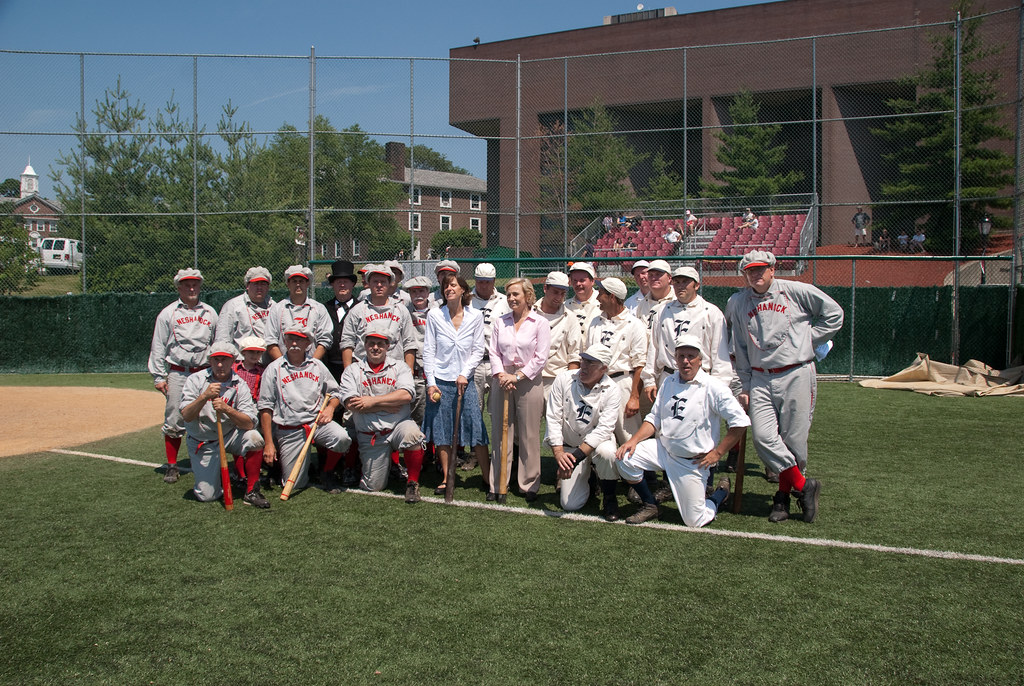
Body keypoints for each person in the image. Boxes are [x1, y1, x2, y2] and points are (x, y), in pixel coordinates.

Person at [726, 250, 844, 523]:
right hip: (759, 377)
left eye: (761, 269)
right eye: (750, 271)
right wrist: (744, 383)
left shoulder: (797, 291)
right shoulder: (738, 302)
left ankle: (782, 497)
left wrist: (809, 339)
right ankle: (804, 487)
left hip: (796, 373)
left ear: (773, 268)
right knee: (764, 438)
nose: (756, 274)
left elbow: (834, 314)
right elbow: (740, 346)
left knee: (793, 440)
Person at [615, 335, 748, 526]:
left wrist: (718, 453)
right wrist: (633, 441)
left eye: (691, 356)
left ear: (700, 360)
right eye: (681, 356)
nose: (686, 361)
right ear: (675, 359)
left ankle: (720, 494)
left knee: (694, 520)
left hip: (691, 462)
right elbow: (654, 419)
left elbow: (740, 422)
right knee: (624, 457)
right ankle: (650, 505)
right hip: (664, 450)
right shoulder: (669, 383)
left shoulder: (714, 387)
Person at [258, 325, 352, 495]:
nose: (294, 343)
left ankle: (327, 471)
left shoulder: (317, 365)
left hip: (316, 423)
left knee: (342, 438)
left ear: (308, 343)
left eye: (299, 339)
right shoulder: (274, 368)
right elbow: (265, 407)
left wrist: (330, 408)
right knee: (295, 484)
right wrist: (269, 443)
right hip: (290, 429)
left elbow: (336, 392)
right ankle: (301, 465)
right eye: (290, 339)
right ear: (284, 341)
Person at [338, 324, 426, 502]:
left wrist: (371, 401)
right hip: (371, 434)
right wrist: (386, 404)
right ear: (364, 345)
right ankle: (383, 466)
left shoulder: (400, 367)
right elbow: (351, 403)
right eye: (371, 343)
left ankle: (412, 483)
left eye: (380, 343)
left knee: (414, 435)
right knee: (374, 487)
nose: (375, 347)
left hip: (398, 426)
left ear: (388, 346)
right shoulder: (352, 370)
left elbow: (407, 395)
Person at [148, 268, 218, 484]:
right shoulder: (168, 313)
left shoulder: (209, 312)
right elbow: (158, 346)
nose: (191, 288)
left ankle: (208, 460)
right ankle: (172, 465)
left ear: (200, 286)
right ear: (178, 287)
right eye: (187, 284)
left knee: (208, 416)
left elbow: (216, 344)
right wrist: (159, 376)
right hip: (179, 372)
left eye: (195, 284)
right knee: (175, 418)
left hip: (204, 372)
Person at [423, 272, 489, 495]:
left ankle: (488, 478)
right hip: (440, 381)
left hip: (466, 382)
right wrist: (431, 383)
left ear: (463, 290)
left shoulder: (475, 316)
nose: (449, 289)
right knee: (442, 432)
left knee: (476, 429)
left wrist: (464, 373)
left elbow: (478, 350)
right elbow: (429, 351)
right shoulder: (434, 315)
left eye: (453, 285)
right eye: (445, 286)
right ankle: (446, 476)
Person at [179, 342, 266, 507]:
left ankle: (252, 490)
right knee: (207, 496)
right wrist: (204, 397)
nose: (220, 364)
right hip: (203, 439)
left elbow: (249, 423)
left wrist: (227, 409)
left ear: (232, 360)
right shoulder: (195, 380)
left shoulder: (240, 384)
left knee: (254, 438)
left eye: (225, 360)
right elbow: (187, 415)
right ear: (210, 361)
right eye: (216, 359)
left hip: (229, 435)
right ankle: (212, 473)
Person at [489, 277, 551, 501]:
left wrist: (518, 376)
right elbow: (494, 352)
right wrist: (501, 375)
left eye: (516, 294)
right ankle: (498, 484)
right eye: (509, 295)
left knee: (529, 434)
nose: (512, 298)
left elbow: (541, 357)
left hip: (528, 380)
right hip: (502, 379)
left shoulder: (540, 322)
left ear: (528, 296)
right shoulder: (500, 322)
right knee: (501, 432)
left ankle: (529, 484)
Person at [546, 344, 622, 520]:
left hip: (592, 447)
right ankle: (590, 479)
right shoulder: (563, 379)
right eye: (583, 360)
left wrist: (574, 460)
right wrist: (558, 453)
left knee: (607, 452)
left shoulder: (612, 389)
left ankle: (610, 497)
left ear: (603, 368)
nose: (584, 366)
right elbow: (553, 418)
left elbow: (604, 429)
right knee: (570, 504)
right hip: (570, 447)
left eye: (591, 363)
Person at [643, 266, 732, 399]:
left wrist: (720, 386)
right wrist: (649, 379)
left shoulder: (711, 312)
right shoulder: (662, 311)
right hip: (668, 378)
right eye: (677, 282)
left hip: (700, 380)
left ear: (696, 285)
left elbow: (720, 353)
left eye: (685, 282)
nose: (680, 286)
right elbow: (654, 348)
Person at [586, 277, 647, 444]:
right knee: (596, 433)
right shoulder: (595, 322)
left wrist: (634, 397)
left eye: (601, 293)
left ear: (612, 297)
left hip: (622, 382)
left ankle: (635, 469)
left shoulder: (634, 324)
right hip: (597, 384)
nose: (597, 297)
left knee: (628, 435)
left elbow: (640, 364)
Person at [340, 264, 417, 371]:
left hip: (394, 370)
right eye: (375, 281)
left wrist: (409, 371)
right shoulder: (357, 310)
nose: (379, 285)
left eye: (383, 282)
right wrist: (348, 371)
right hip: (363, 371)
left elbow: (409, 343)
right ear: (368, 283)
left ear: (390, 284)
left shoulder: (401, 310)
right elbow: (347, 342)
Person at [469, 263, 511, 441]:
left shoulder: (504, 300)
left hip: (497, 362)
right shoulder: (466, 300)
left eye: (487, 282)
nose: (483, 285)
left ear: (494, 281)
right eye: (480, 281)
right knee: (473, 411)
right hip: (474, 363)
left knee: (498, 412)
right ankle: (474, 453)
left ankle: (498, 452)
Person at [264, 265, 333, 361]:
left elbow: (325, 340)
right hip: (284, 368)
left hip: (312, 368)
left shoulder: (319, 309)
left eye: (301, 281)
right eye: (294, 281)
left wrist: (311, 364)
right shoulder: (277, 309)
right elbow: (270, 341)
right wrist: (284, 365)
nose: (298, 284)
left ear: (308, 283)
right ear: (288, 284)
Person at [533, 271, 583, 400]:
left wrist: (568, 383)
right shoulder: (530, 313)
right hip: (530, 377)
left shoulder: (570, 318)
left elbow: (574, 355)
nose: (559, 297)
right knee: (528, 420)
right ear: (545, 288)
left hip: (557, 379)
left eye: (562, 293)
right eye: (555, 292)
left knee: (556, 420)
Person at [232, 336, 271, 495]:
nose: (254, 356)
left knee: (255, 438)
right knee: (238, 438)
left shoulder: (262, 371)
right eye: (251, 352)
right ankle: (240, 472)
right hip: (236, 407)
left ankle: (253, 470)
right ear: (243, 352)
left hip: (255, 407)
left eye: (258, 353)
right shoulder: (234, 369)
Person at [214, 266, 274, 358]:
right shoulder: (233, 306)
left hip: (267, 365)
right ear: (247, 285)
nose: (259, 287)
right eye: (256, 283)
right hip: (240, 365)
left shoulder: (275, 307)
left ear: (268, 287)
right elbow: (222, 340)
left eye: (263, 284)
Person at [322, 260, 359, 383]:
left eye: (345, 281)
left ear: (352, 284)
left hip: (355, 366)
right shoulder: (324, 308)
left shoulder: (361, 309)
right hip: (328, 367)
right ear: (332, 284)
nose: (342, 285)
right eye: (338, 282)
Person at [634, 259, 675, 330]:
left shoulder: (678, 301)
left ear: (669, 278)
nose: (653, 278)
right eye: (650, 275)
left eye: (658, 274)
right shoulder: (642, 305)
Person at [565, 262, 601, 335]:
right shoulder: (565, 307)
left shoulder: (603, 304)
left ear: (592, 281)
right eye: (575, 280)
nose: (578, 284)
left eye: (582, 280)